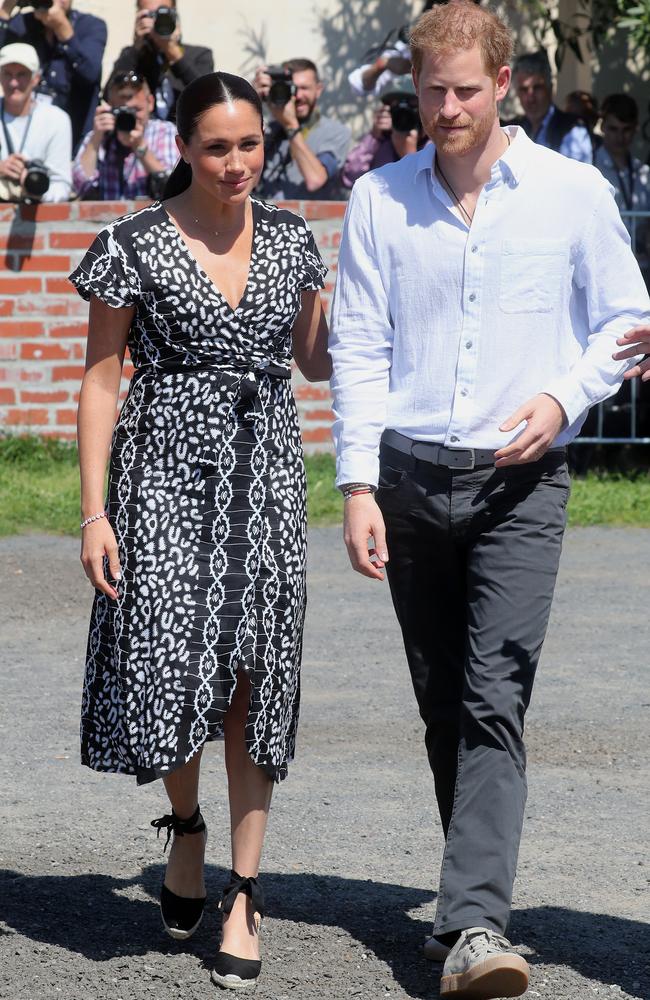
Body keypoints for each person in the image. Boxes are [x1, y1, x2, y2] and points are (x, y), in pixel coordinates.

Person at [329, 3, 649, 998]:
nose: (449, 106)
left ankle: (471, 924)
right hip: (410, 477)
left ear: (503, 82)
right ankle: (465, 901)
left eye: (467, 89)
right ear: (410, 89)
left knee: (491, 699)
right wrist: (354, 485)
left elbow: (626, 317)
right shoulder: (380, 199)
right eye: (431, 90)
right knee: (441, 706)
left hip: (521, 486)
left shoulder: (569, 192)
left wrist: (561, 395)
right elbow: (357, 348)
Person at [69, 71, 330, 992]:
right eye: (217, 146)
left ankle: (247, 893)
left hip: (267, 483)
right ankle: (185, 825)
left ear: (268, 142)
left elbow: (317, 357)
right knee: (171, 666)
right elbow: (103, 381)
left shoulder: (297, 239)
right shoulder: (132, 242)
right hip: (164, 482)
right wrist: (95, 511)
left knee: (255, 680)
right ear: (183, 146)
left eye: (250, 144)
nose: (236, 163)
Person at [0, 0, 106, 153]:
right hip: (25, 141)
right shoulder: (22, 23)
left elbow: (90, 74)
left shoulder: (91, 26)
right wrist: (5, 11)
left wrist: (63, 30)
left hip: (74, 141)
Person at [253, 58, 350, 200]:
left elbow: (315, 180)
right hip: (266, 219)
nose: (297, 96)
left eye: (304, 88)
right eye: (292, 88)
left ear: (318, 90)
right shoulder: (268, 130)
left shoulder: (336, 132)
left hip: (311, 221)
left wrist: (290, 126)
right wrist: (251, 100)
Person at [73, 70, 178, 200]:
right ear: (109, 107)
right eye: (122, 110)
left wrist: (140, 147)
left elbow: (175, 187)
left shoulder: (165, 131)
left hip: (150, 217)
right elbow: (80, 186)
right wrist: (96, 140)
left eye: (135, 110)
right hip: (108, 218)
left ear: (150, 103)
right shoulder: (98, 135)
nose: (129, 116)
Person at [111, 0, 213, 123]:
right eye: (150, 15)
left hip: (187, 137)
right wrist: (136, 47)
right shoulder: (133, 56)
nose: (156, 21)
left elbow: (209, 97)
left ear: (175, 16)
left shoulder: (200, 55)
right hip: (143, 136)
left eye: (163, 14)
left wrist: (173, 52)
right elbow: (109, 96)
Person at [0, 41, 71, 201]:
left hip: (37, 220)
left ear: (36, 78)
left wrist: (35, 185)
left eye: (21, 74)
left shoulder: (56, 120)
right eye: (7, 74)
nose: (13, 83)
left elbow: (62, 186)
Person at [594, 94, 650, 283]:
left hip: (641, 271)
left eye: (626, 130)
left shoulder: (644, 173)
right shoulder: (590, 170)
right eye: (613, 129)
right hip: (604, 272)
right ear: (602, 127)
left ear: (635, 129)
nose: (619, 137)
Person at [341, 75, 428, 190]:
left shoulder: (435, 146)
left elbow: (430, 193)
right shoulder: (382, 143)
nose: (404, 114)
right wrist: (374, 136)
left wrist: (408, 157)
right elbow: (349, 178)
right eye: (397, 107)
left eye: (412, 106)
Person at [510, 50, 592, 163]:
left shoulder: (573, 129)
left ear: (551, 88)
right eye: (524, 90)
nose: (531, 98)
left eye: (537, 88)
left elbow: (577, 179)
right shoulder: (513, 130)